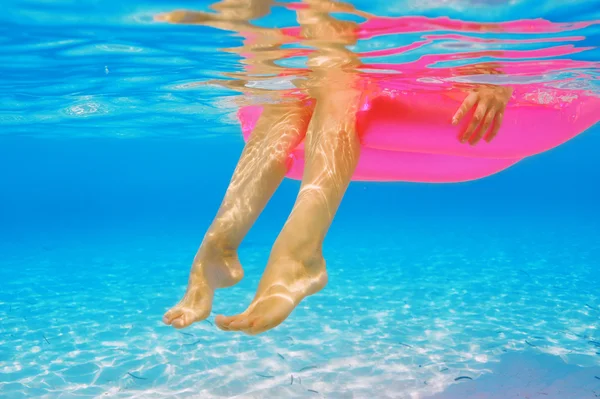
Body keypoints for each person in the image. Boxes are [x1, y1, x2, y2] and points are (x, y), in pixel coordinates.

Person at [157, 0, 512, 335]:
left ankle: (297, 255)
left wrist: (489, 69)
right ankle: (218, 247)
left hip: (392, 59)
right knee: (287, 99)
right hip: (340, 49)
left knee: (336, 84)